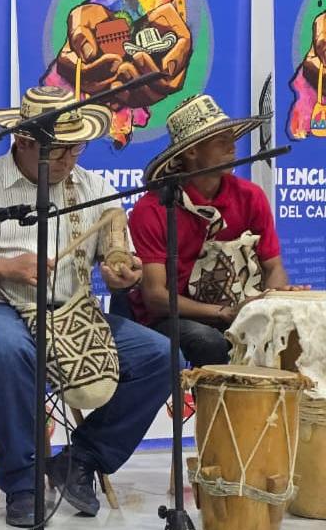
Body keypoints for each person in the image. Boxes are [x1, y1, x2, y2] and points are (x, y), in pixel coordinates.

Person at [0, 86, 173, 527]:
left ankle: (81, 458)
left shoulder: (94, 189)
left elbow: (116, 254)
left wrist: (123, 273)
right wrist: (6, 268)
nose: (71, 161)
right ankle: (24, 483)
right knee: (9, 349)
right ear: (24, 141)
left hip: (71, 314)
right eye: (61, 151)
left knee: (161, 356)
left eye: (77, 148)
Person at [128, 94, 307, 367]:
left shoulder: (250, 196)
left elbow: (273, 267)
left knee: (293, 327)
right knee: (208, 340)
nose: (232, 146)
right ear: (191, 152)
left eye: (232, 137)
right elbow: (155, 297)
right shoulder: (153, 208)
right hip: (172, 318)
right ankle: (217, 409)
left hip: (240, 308)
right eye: (221, 141)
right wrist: (225, 313)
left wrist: (268, 305)